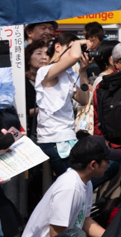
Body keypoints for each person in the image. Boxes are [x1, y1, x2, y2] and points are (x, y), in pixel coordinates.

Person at [35, 32, 91, 177]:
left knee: (93, 175)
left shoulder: (68, 74)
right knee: (75, 181)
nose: (77, 53)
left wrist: (83, 71)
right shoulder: (45, 71)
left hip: (67, 137)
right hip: (54, 139)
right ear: (57, 47)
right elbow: (73, 57)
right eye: (72, 48)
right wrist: (79, 43)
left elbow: (84, 99)